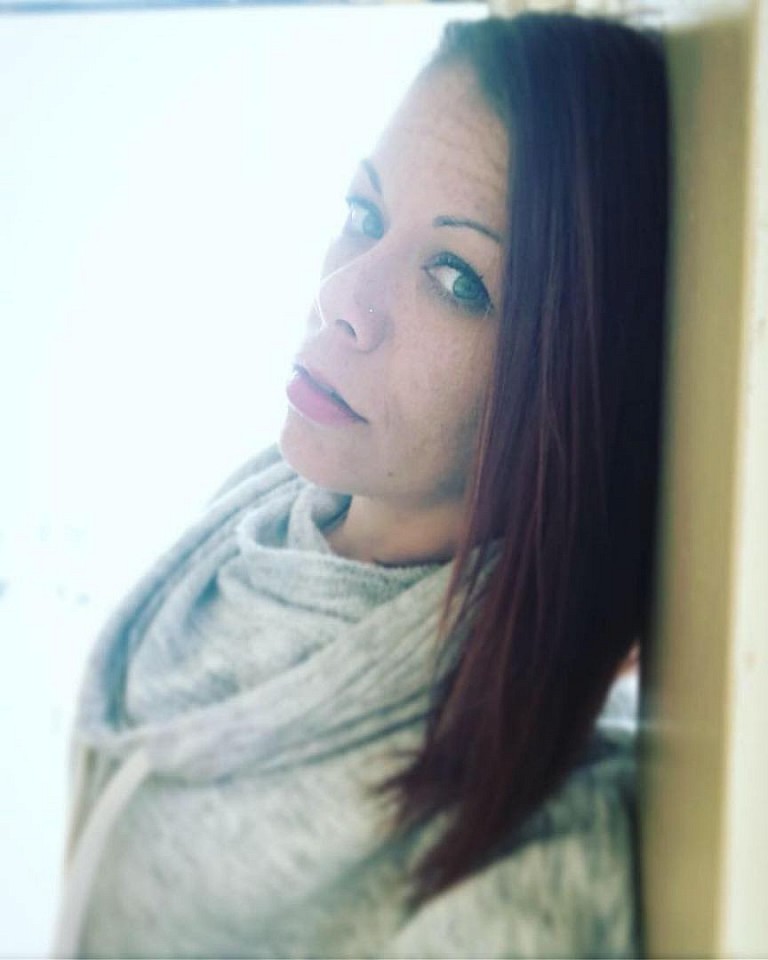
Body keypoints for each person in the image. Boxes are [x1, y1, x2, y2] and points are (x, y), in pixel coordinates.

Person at [53, 11, 668, 959]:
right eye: (364, 216)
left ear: (570, 374)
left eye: (456, 279)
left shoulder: (527, 865)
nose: (343, 298)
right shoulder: (269, 504)